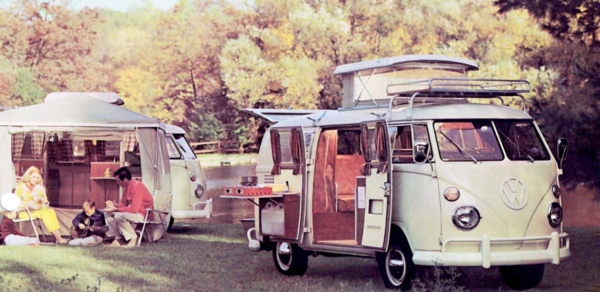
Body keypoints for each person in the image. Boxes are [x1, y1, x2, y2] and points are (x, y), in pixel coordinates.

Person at [15, 166, 68, 244]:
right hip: (24, 211)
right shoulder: (20, 187)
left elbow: (45, 202)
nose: (35, 179)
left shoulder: (39, 188)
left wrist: (40, 205)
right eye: (33, 177)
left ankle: (58, 236)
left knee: (50, 211)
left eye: (37, 177)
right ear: (29, 176)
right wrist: (26, 205)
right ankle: (58, 238)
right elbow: (16, 201)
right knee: (44, 214)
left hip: (37, 209)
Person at [104, 167, 153, 248]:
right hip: (134, 213)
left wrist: (116, 209)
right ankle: (118, 238)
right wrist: (114, 205)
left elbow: (134, 208)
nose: (117, 183)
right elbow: (123, 204)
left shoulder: (137, 187)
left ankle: (133, 238)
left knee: (118, 215)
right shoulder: (127, 188)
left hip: (142, 214)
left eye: (118, 181)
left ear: (125, 179)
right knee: (107, 212)